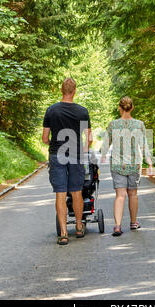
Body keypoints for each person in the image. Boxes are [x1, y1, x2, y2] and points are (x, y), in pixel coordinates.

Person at [42, 78, 93, 245]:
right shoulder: (82, 111)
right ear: (75, 91)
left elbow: (44, 138)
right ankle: (79, 227)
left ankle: (64, 233)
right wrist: (83, 149)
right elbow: (90, 138)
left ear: (61, 90)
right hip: (75, 155)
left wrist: (54, 145)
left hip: (57, 155)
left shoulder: (51, 110)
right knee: (76, 191)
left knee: (60, 193)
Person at [101, 96, 154, 237]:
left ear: (120, 107)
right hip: (134, 165)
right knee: (133, 194)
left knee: (120, 196)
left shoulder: (113, 124)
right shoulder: (139, 124)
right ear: (132, 108)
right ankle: (133, 222)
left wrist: (103, 155)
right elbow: (144, 146)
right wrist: (149, 163)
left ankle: (117, 226)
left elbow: (106, 145)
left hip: (118, 165)